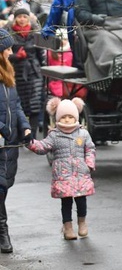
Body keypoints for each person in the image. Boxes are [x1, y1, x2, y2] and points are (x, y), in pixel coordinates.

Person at [26, 97, 95, 240]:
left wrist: (89, 163)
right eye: (64, 117)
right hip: (63, 176)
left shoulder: (83, 134)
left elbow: (90, 149)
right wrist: (30, 142)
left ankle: (82, 222)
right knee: (66, 202)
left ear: (76, 116)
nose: (68, 120)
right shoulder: (54, 135)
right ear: (58, 118)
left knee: (81, 200)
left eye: (71, 116)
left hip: (80, 173)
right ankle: (68, 227)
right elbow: (42, 147)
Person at [0, 28, 33, 254]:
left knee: (5, 184)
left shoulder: (8, 73)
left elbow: (16, 105)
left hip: (10, 143)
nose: (11, 52)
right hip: (1, 139)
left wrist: (25, 126)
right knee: (0, 186)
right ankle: (3, 231)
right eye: (7, 49)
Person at [9, 8, 45, 138]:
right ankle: (21, 133)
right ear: (15, 19)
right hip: (17, 73)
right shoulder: (10, 34)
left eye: (24, 16)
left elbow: (41, 55)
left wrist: (45, 71)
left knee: (35, 104)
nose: (22, 19)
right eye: (19, 17)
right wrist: (15, 56)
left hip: (34, 72)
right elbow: (5, 56)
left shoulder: (35, 34)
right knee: (20, 105)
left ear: (28, 18)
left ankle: (32, 136)